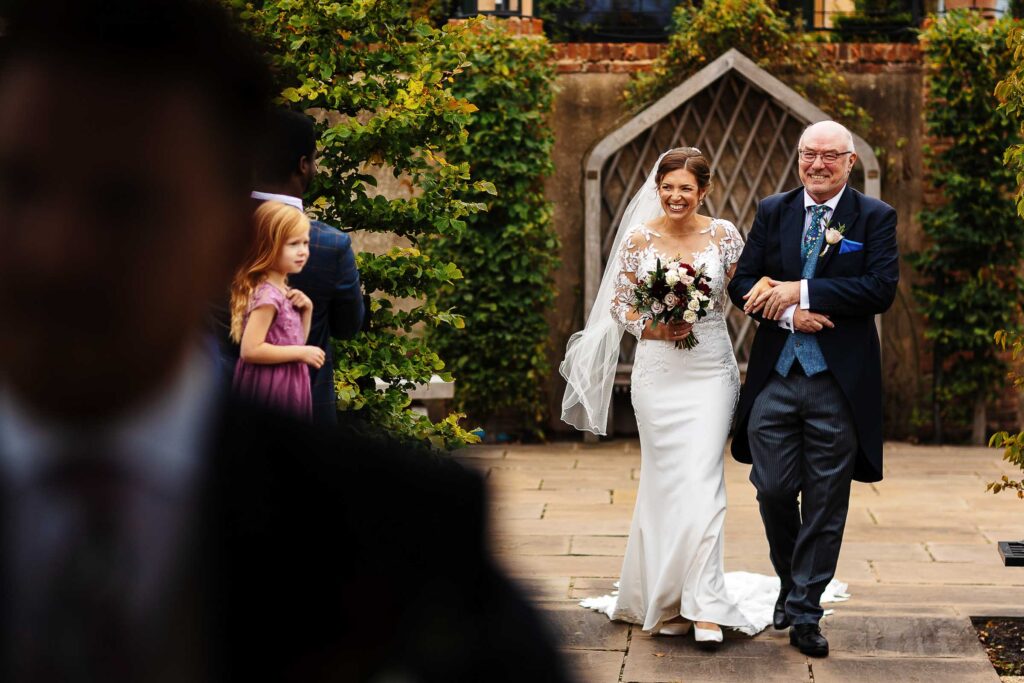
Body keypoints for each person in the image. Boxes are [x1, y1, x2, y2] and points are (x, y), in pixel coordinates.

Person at [0, 1, 572, 681]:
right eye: (18, 187)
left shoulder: (400, 545)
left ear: (224, 233)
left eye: (125, 202)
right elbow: (343, 325)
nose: (57, 251)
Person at [561, 148, 828, 645]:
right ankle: (666, 598)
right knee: (665, 483)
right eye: (668, 187)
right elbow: (619, 303)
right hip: (658, 373)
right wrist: (653, 328)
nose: (676, 196)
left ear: (704, 190)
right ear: (657, 188)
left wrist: (791, 309)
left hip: (710, 370)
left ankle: (705, 605)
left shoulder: (724, 235)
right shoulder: (641, 238)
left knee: (703, 481)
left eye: (686, 187)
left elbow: (745, 290)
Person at [727, 120, 899, 658]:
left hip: (837, 384)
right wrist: (789, 316)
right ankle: (788, 581)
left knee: (826, 501)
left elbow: (879, 288)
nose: (817, 164)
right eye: (808, 154)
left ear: (850, 162)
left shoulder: (873, 217)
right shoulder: (773, 209)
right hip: (776, 377)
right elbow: (741, 281)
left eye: (829, 156)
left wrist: (800, 290)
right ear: (798, 158)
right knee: (773, 487)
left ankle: (804, 612)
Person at [252, 109, 365, 425]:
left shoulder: (207, 233)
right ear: (303, 165)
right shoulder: (328, 245)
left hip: (215, 422)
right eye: (314, 160)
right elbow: (348, 326)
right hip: (302, 420)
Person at [230, 201, 324, 420]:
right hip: (271, 386)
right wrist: (302, 353)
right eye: (293, 244)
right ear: (268, 246)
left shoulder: (282, 290)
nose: (303, 251)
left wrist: (306, 311)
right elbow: (250, 350)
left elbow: (297, 340)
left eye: (306, 243)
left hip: (286, 381)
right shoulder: (268, 296)